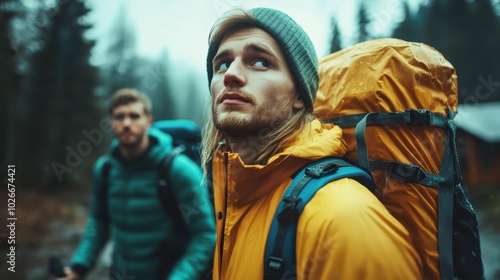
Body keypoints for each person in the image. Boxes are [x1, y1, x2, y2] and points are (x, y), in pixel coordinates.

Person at [201, 7, 423, 279]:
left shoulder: (344, 221)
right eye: (222, 64)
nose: (230, 75)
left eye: (259, 62)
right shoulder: (237, 198)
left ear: (299, 96)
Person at [57, 88, 216, 280]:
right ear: (110, 123)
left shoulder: (178, 170)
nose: (126, 123)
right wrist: (78, 268)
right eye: (119, 117)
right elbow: (99, 223)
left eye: (134, 116)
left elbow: (205, 236)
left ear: (148, 121)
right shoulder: (106, 169)